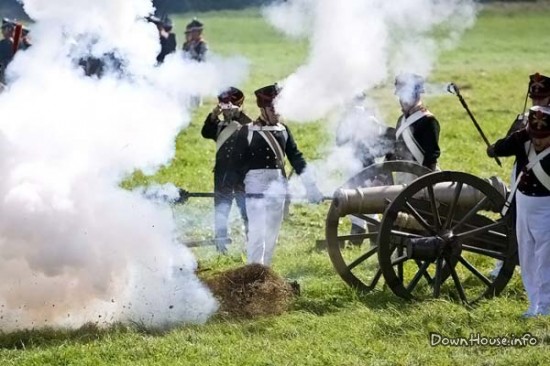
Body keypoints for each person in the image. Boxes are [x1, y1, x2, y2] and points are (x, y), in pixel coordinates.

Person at [231, 84, 323, 265]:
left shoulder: (284, 130)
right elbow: (235, 163)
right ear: (263, 109)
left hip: (277, 186)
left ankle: (266, 273)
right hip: (254, 185)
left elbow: (297, 159)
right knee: (257, 233)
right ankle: (253, 272)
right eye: (273, 109)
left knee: (272, 234)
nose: (277, 113)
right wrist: (233, 188)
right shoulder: (247, 131)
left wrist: (310, 186)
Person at [487, 106, 550, 317]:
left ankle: (546, 306)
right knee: (527, 256)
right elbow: (500, 148)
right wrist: (522, 132)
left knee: (545, 258)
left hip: (546, 207)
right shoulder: (524, 140)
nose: (538, 141)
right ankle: (535, 304)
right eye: (535, 135)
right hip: (523, 203)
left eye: (543, 136)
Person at [489, 72, 550, 278]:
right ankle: (505, 262)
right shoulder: (525, 120)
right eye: (534, 98)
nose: (536, 101)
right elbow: (504, 146)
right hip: (523, 179)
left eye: (541, 98)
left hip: (544, 184)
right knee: (512, 221)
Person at [201, 87, 252, 253]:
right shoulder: (219, 126)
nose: (227, 112)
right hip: (223, 176)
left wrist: (239, 115)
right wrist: (214, 114)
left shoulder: (246, 125)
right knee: (221, 210)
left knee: (247, 212)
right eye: (224, 107)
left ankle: (252, 243)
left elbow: (253, 132)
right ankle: (220, 246)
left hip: (242, 177)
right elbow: (205, 132)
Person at [388, 73, 441, 171]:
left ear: (415, 94)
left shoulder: (428, 121)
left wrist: (425, 184)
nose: (401, 100)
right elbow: (394, 151)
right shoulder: (401, 120)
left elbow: (430, 160)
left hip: (421, 178)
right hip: (403, 177)